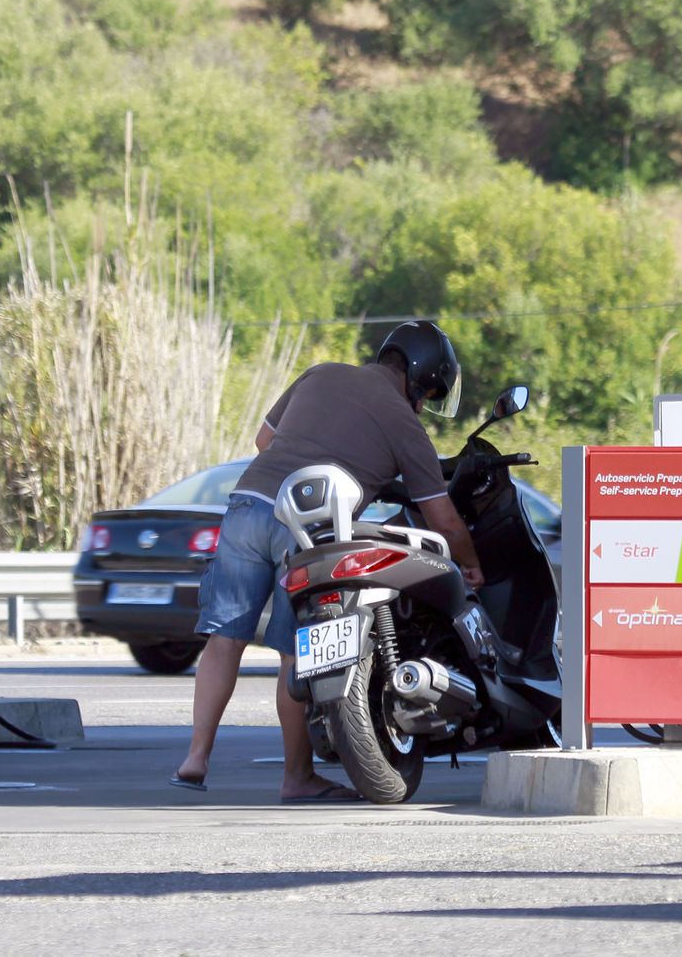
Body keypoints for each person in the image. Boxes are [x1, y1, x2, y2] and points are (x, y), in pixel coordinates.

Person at [171, 320, 485, 802]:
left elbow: (262, 440)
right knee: (296, 656)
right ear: (421, 382)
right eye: (428, 393)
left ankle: (195, 758)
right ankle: (296, 777)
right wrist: (470, 565)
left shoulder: (319, 374)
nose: (424, 403)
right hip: (303, 527)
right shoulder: (404, 422)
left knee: (224, 640)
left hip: (249, 501)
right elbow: (442, 517)